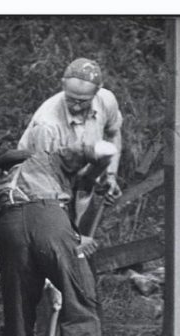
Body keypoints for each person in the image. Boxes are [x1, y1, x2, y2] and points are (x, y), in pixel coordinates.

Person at [0, 135, 118, 336]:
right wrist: (106, 163)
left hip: (10, 227)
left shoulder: (3, 185)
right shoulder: (46, 159)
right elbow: (98, 149)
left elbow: (28, 230)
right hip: (48, 218)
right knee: (81, 303)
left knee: (18, 316)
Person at [18, 57, 123, 227]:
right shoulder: (47, 124)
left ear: (97, 91)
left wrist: (110, 175)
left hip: (83, 175)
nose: (75, 107)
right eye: (71, 99)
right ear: (63, 85)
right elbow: (42, 179)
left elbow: (113, 134)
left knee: (83, 231)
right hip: (43, 177)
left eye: (82, 101)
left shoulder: (106, 100)